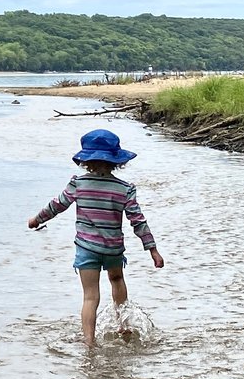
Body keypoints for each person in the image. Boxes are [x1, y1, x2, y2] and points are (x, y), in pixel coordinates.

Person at [28, 128, 164, 348]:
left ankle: (89, 343)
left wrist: (36, 219)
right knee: (117, 280)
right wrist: (152, 250)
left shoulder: (78, 184)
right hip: (113, 249)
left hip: (86, 249)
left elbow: (57, 206)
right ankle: (123, 326)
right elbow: (138, 221)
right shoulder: (124, 189)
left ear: (86, 162)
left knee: (90, 297)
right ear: (116, 162)